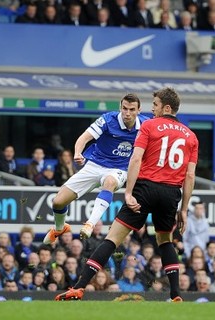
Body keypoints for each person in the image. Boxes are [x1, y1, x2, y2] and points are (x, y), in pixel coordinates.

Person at [56, 87, 199, 302]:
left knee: (112, 239)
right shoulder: (191, 136)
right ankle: (176, 294)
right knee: (165, 241)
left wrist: (129, 192)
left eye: (156, 105)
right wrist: (185, 209)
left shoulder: (149, 125)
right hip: (171, 193)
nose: (152, 110)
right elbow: (190, 176)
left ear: (166, 107)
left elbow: (135, 159)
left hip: (145, 188)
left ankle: (79, 287)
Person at [43, 93, 149, 242]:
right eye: (124, 108)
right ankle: (60, 228)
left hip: (119, 168)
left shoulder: (146, 125)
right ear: (120, 107)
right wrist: (78, 152)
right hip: (95, 164)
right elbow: (84, 137)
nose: (127, 113)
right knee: (58, 202)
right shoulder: (107, 119)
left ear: (139, 110)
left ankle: (90, 224)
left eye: (132, 109)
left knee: (110, 182)